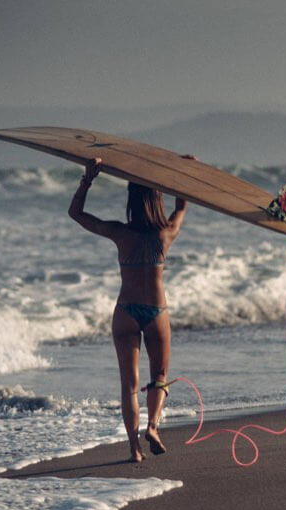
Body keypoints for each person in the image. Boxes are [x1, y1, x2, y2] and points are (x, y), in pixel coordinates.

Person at [68, 157, 191, 463]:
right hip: (155, 311)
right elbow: (182, 206)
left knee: (129, 386)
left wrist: (88, 179)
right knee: (160, 376)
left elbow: (76, 214)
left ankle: (134, 449)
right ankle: (152, 426)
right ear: (156, 199)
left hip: (125, 311)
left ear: (131, 201)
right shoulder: (166, 234)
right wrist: (184, 172)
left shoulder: (121, 233)